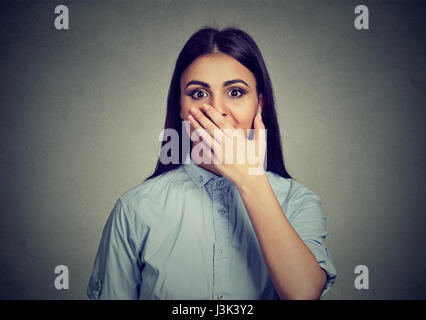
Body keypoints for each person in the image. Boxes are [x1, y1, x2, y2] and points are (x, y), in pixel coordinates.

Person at [87, 26, 337, 300]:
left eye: (235, 92)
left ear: (259, 104)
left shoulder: (298, 202)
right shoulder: (135, 210)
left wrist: (250, 178)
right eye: (198, 94)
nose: (217, 110)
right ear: (181, 108)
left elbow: (304, 295)